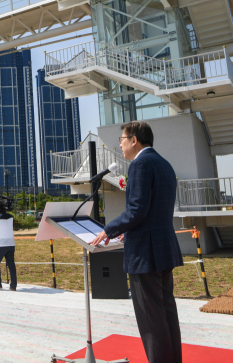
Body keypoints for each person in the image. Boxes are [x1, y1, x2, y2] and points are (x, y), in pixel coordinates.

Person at [89, 121, 183, 363]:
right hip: (162, 249)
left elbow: (137, 210)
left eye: (122, 139)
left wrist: (109, 230)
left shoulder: (140, 164)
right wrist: (128, 232)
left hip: (145, 254)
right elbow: (151, 211)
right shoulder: (164, 163)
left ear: (134, 140)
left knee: (152, 321)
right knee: (167, 313)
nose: (119, 144)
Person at [0, 200, 17, 291]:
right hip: (11, 243)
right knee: (11, 264)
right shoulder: (11, 217)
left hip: (1, 244)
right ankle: (13, 285)